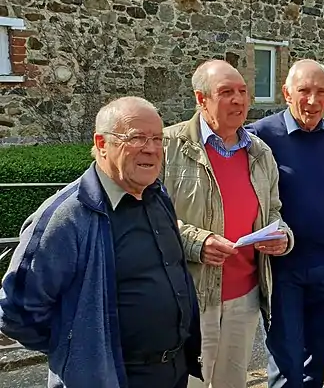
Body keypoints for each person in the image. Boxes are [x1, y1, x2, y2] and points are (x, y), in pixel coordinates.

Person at [0, 97, 202, 387]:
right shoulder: (67, 216)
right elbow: (16, 313)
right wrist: (79, 352)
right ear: (102, 143)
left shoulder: (157, 196)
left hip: (173, 371)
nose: (151, 148)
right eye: (137, 138)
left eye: (158, 139)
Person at [161, 60, 294, 388]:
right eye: (226, 92)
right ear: (201, 99)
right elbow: (149, 219)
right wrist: (197, 243)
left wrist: (282, 236)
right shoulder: (167, 146)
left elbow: (273, 211)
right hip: (190, 298)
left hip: (244, 297)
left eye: (243, 91)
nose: (239, 100)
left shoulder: (260, 152)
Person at [246, 59, 324, 388]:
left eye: (322, 92)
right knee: (286, 363)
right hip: (283, 268)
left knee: (316, 361)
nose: (313, 100)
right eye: (304, 91)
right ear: (287, 93)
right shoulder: (261, 136)